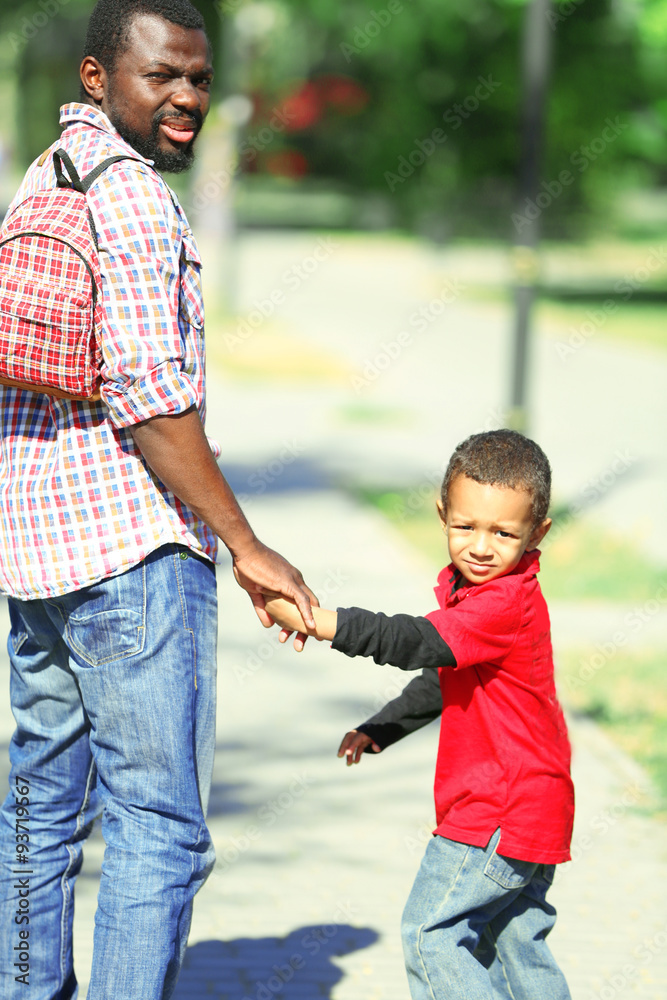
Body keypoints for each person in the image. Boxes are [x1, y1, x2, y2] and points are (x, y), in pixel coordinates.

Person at [0, 2, 317, 998]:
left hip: (33, 555)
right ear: (98, 77)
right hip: (130, 556)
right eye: (159, 76)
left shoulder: (41, 178)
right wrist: (245, 544)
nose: (185, 97)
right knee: (158, 829)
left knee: (38, 816)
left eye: (197, 76)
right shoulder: (131, 197)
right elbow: (149, 402)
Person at [264, 429, 575, 1000]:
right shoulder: (487, 595)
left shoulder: (503, 603)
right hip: (537, 807)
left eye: (504, 533)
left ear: (539, 533)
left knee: (431, 934)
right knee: (515, 945)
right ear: (442, 514)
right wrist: (382, 728)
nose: (481, 546)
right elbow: (442, 677)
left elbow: (414, 641)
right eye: (466, 526)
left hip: (495, 811)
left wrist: (317, 620)